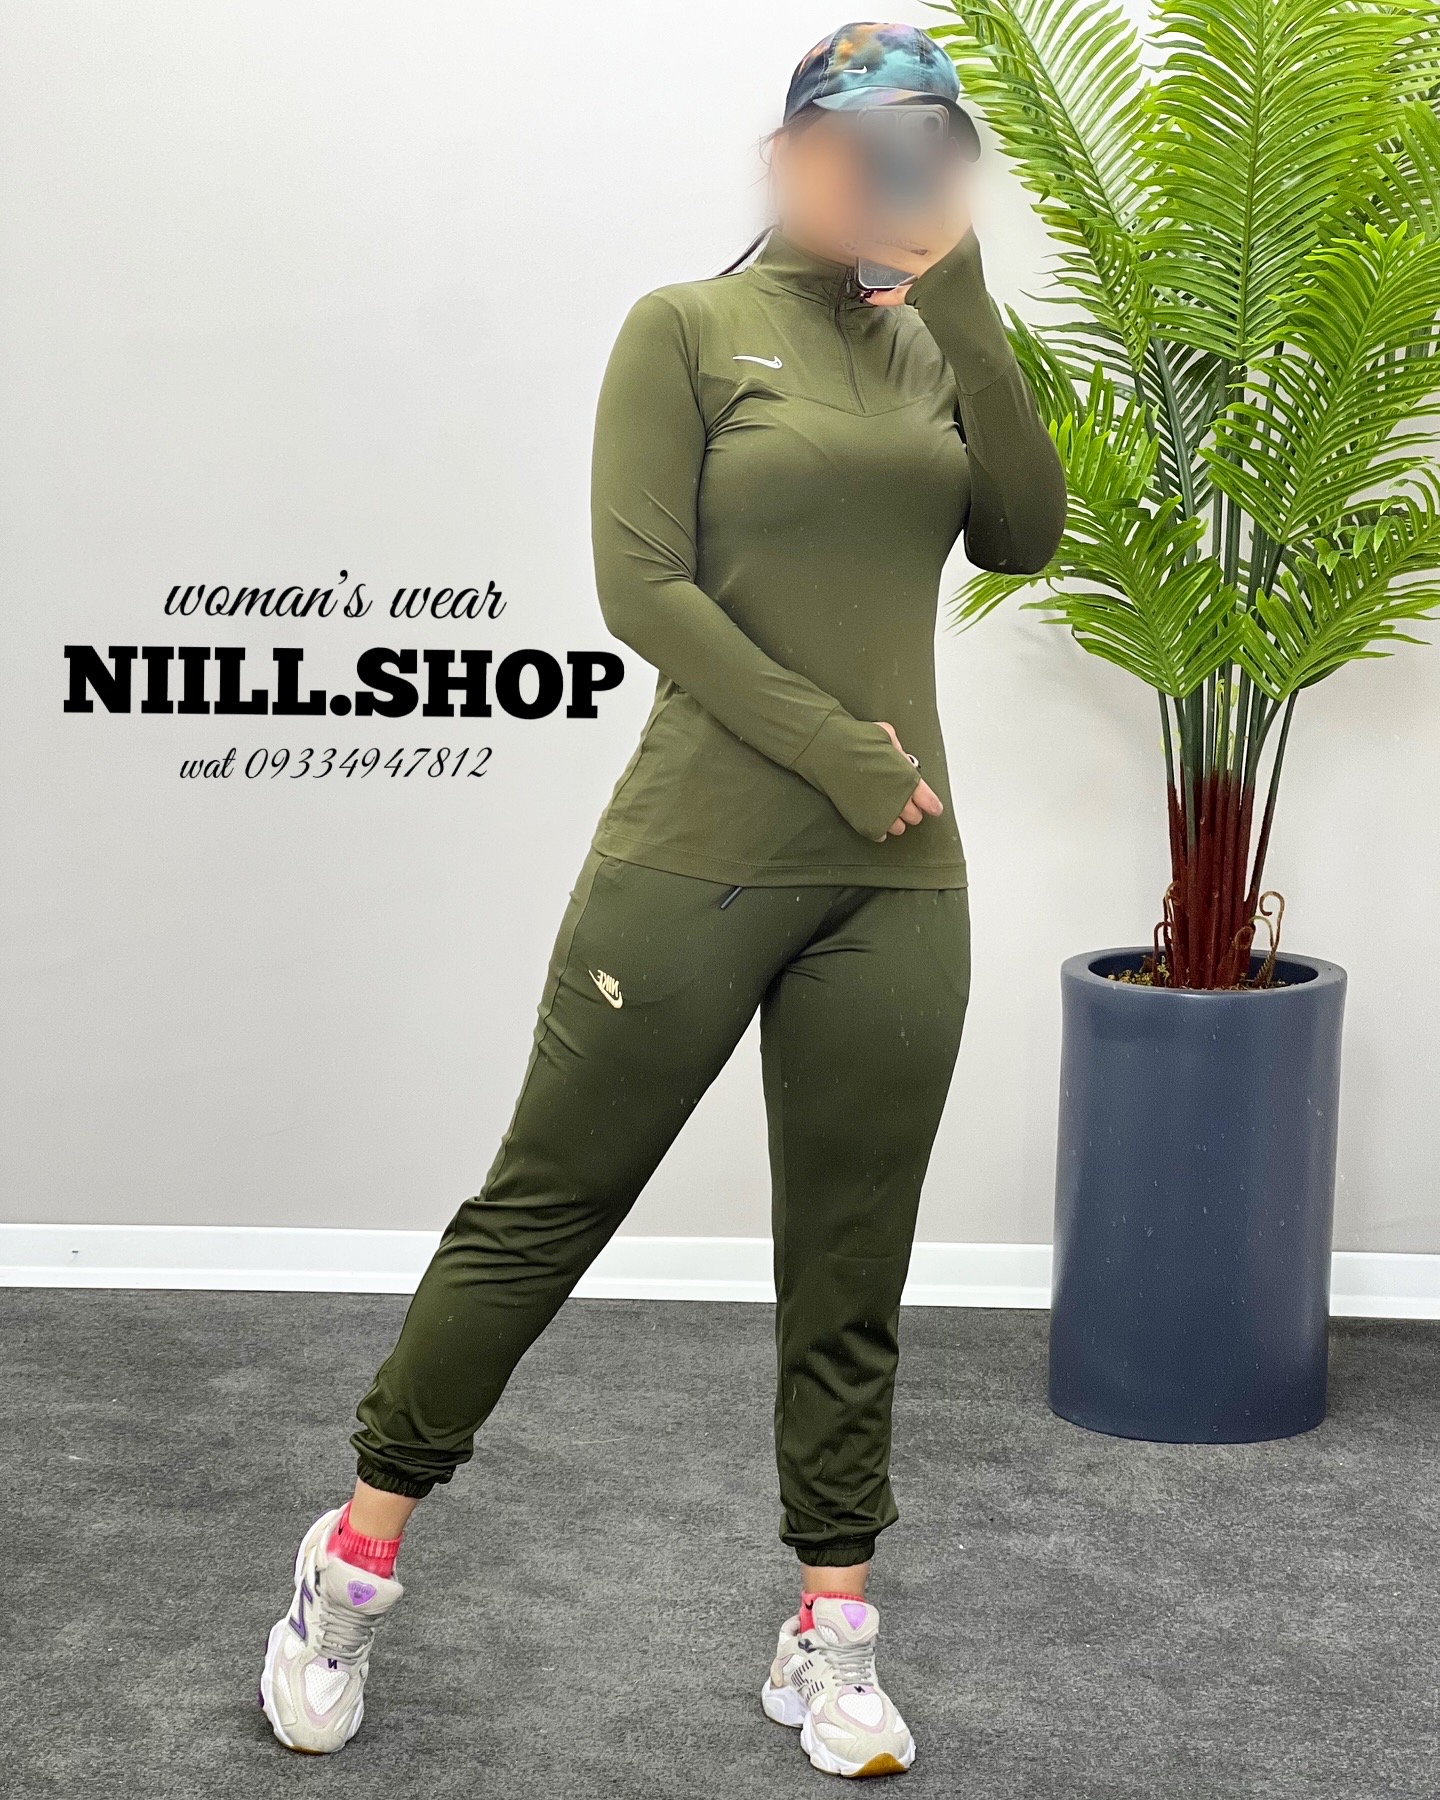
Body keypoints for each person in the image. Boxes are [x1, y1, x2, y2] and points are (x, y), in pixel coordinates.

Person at [259, 18, 1065, 1777]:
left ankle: (831, 1634)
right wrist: (840, 750)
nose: (897, 174)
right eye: (865, 144)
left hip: (896, 881)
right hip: (697, 857)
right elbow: (643, 589)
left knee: (850, 1261)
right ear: (791, 154)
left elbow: (1023, 531)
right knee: (542, 1213)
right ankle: (351, 1564)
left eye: (930, 147)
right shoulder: (686, 327)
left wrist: (963, 290)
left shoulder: (936, 344)